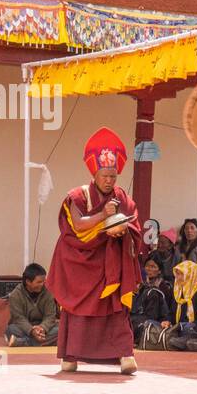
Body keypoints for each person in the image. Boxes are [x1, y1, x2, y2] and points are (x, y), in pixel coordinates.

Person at [46, 128, 142, 375]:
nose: (110, 181)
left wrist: (123, 231)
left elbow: (133, 224)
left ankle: (124, 355)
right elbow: (77, 226)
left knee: (115, 308)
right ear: (94, 173)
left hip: (109, 264)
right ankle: (70, 356)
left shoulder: (123, 197)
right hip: (79, 263)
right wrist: (103, 216)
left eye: (113, 176)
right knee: (77, 310)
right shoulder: (77, 196)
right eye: (105, 176)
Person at [6, 262, 58, 347]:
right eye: (39, 282)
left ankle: (22, 342)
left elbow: (50, 316)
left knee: (60, 331)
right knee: (11, 329)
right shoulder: (15, 295)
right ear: (28, 282)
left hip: (43, 328)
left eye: (43, 281)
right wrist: (31, 330)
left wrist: (42, 328)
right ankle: (43, 341)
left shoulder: (48, 293)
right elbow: (18, 318)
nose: (42, 284)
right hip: (24, 328)